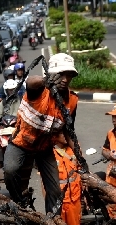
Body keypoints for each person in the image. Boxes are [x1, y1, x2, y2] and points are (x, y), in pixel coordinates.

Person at [5, 52, 79, 214]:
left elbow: (69, 131)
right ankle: (20, 204)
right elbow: (30, 82)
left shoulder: (72, 101)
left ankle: (53, 222)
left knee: (55, 191)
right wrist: (46, 81)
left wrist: (79, 157)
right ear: (51, 74)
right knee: (10, 170)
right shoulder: (39, 91)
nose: (65, 79)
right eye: (61, 75)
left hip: (44, 148)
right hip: (21, 142)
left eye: (69, 76)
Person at [52, 133, 81, 225]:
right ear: (54, 136)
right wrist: (49, 201)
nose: (65, 135)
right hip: (59, 200)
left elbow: (81, 170)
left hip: (74, 198)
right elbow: (44, 181)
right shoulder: (49, 154)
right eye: (62, 133)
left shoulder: (75, 148)